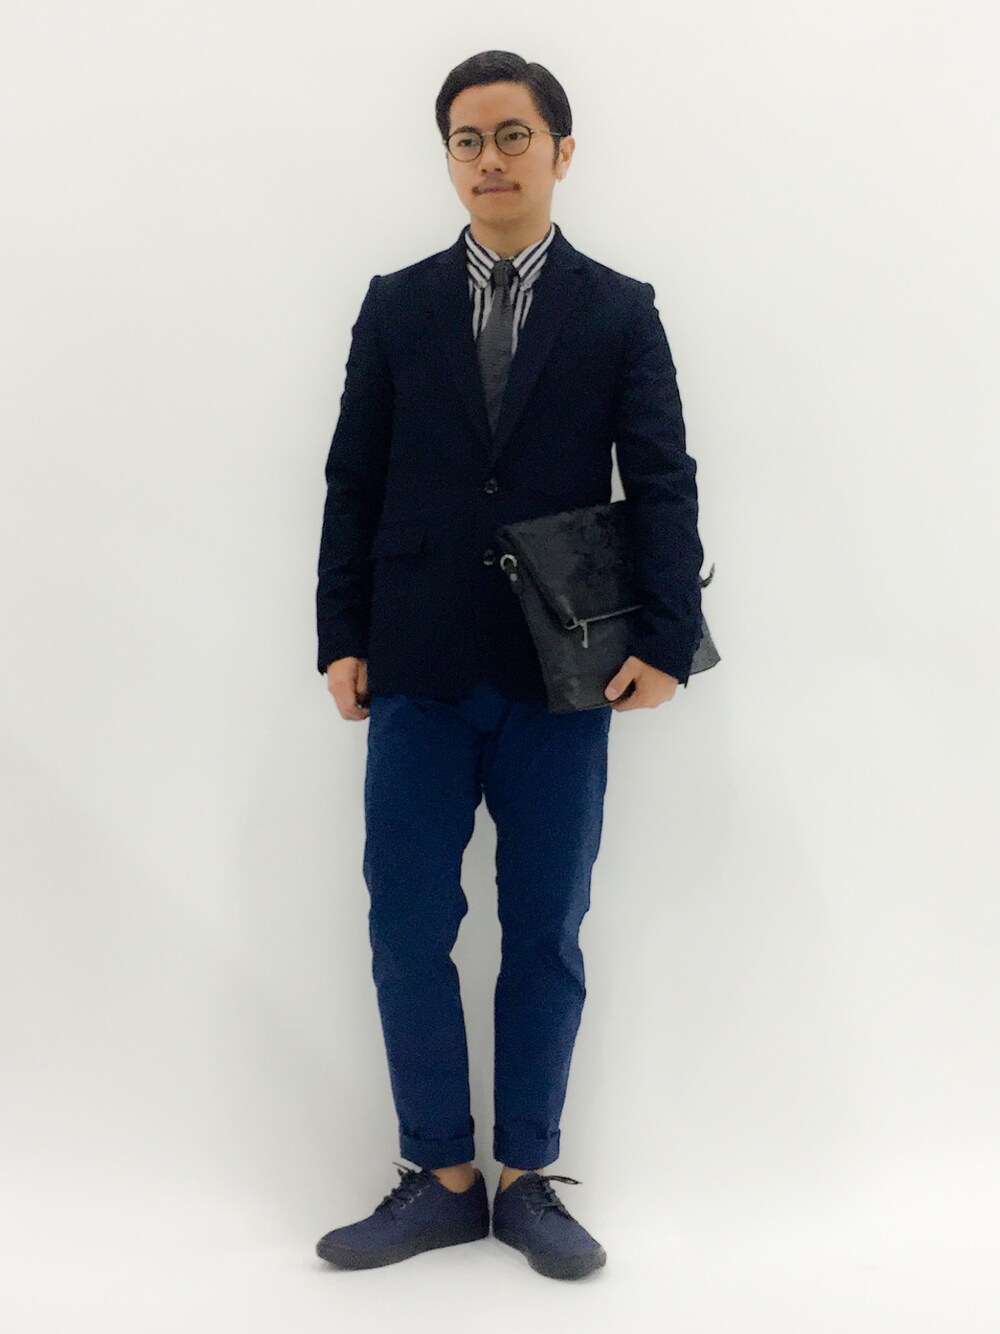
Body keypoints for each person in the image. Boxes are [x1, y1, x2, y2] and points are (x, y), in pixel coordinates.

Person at [313, 49, 706, 1281]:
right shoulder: (396, 303)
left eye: (513, 135)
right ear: (449, 158)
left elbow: (663, 476)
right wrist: (340, 633)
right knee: (405, 921)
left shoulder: (617, 308)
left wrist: (662, 637)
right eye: (468, 140)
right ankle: (440, 1176)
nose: (490, 158)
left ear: (561, 151)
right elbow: (352, 477)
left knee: (545, 925)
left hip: (563, 671)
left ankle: (528, 1176)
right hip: (416, 662)